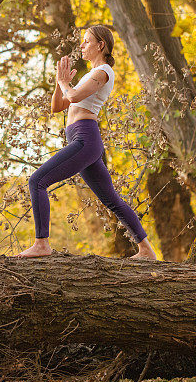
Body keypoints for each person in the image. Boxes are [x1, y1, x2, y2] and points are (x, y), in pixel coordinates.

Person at [16, 25, 158, 260]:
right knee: (111, 199)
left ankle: (41, 244)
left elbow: (72, 96)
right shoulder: (89, 74)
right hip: (78, 137)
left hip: (85, 138)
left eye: (86, 41)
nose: (81, 45)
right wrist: (58, 83)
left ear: (101, 45)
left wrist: (64, 83)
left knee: (37, 181)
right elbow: (58, 106)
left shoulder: (102, 71)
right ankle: (146, 250)